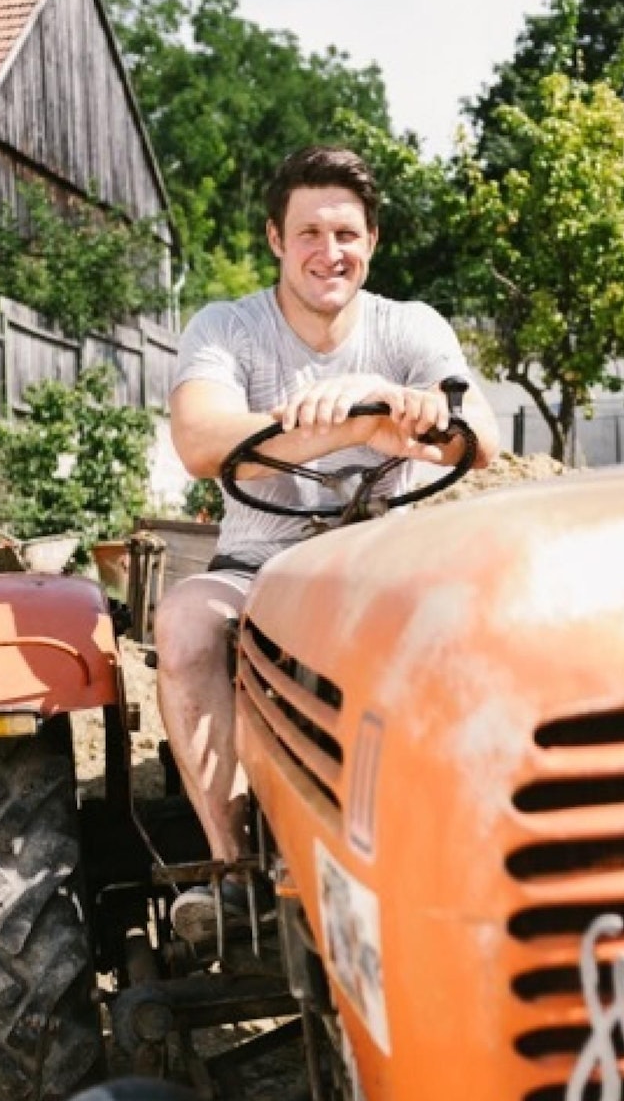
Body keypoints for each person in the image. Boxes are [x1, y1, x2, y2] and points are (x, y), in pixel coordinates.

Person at [155, 144, 500, 946]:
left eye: (346, 233)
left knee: (485, 623)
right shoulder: (227, 328)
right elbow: (202, 440)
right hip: (257, 567)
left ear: (371, 240)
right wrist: (352, 425)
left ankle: (459, 841)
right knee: (184, 626)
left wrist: (396, 402)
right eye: (309, 232)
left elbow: (479, 436)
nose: (329, 252)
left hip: (384, 565)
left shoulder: (409, 327)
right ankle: (232, 866)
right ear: (276, 239)